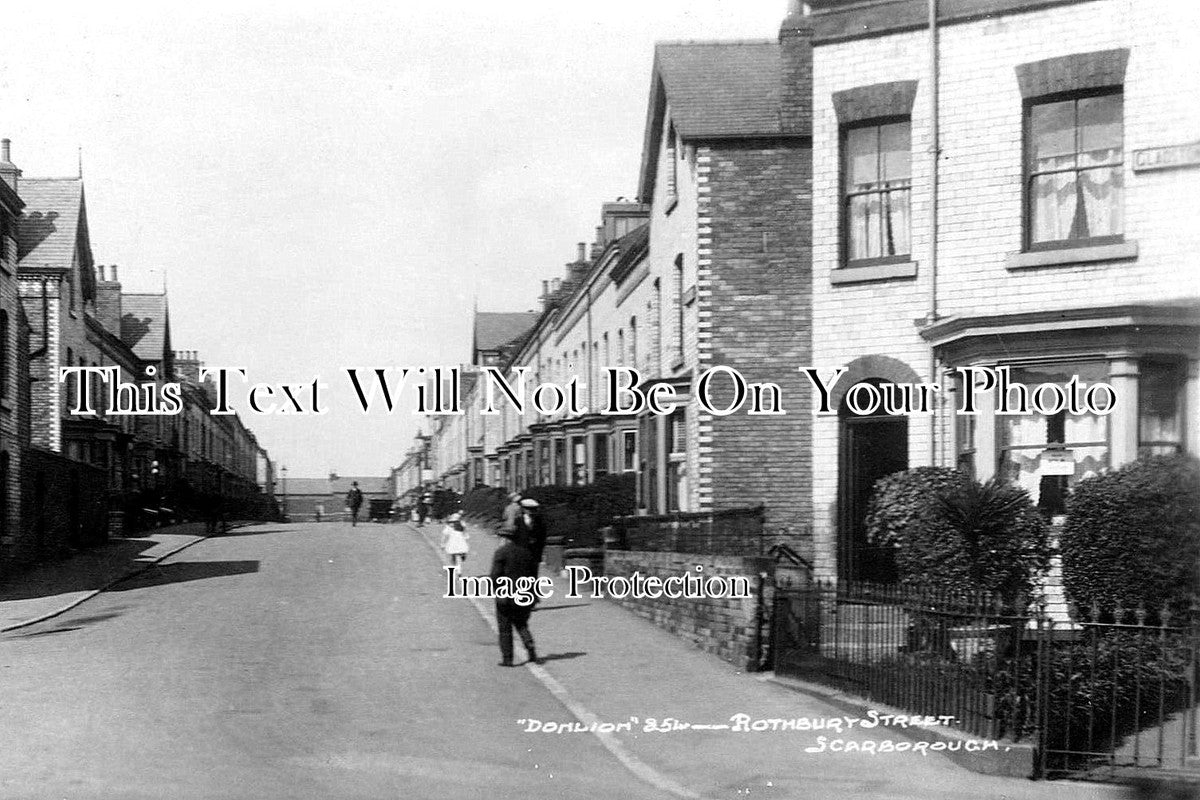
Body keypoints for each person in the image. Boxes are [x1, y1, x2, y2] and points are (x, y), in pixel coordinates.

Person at [490, 525, 541, 667]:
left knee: (505, 627)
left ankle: (508, 658)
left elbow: (495, 575)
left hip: (506, 596)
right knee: (521, 622)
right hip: (525, 594)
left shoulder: (501, 552)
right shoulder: (527, 553)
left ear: (504, 538)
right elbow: (534, 575)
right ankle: (529, 644)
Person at [514, 498, 547, 564]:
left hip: (534, 554)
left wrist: (539, 554)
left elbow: (542, 538)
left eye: (533, 509)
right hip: (521, 553)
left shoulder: (540, 522)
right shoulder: (518, 521)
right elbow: (515, 537)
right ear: (523, 509)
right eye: (528, 509)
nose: (531, 511)